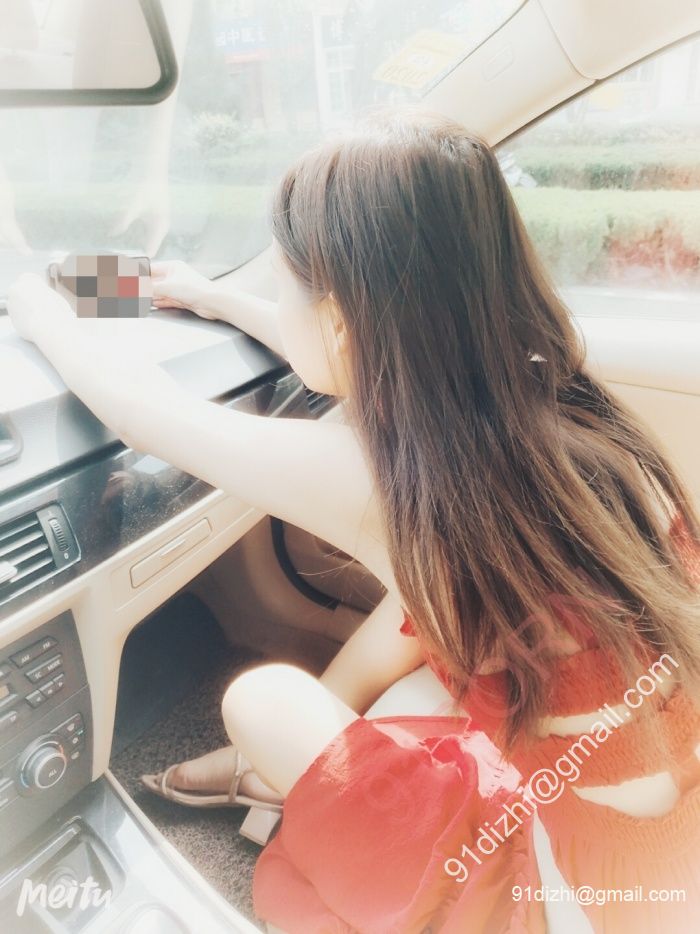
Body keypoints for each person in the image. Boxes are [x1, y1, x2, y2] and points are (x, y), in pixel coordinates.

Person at [7, 105, 700, 933]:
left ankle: (285, 788)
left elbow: (147, 413)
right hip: (665, 834)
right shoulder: (551, 401)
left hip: (572, 896)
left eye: (282, 286)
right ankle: (279, 779)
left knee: (259, 700)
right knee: (411, 613)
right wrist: (211, 296)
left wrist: (30, 297)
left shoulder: (382, 481)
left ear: (341, 319)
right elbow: (350, 348)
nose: (277, 303)